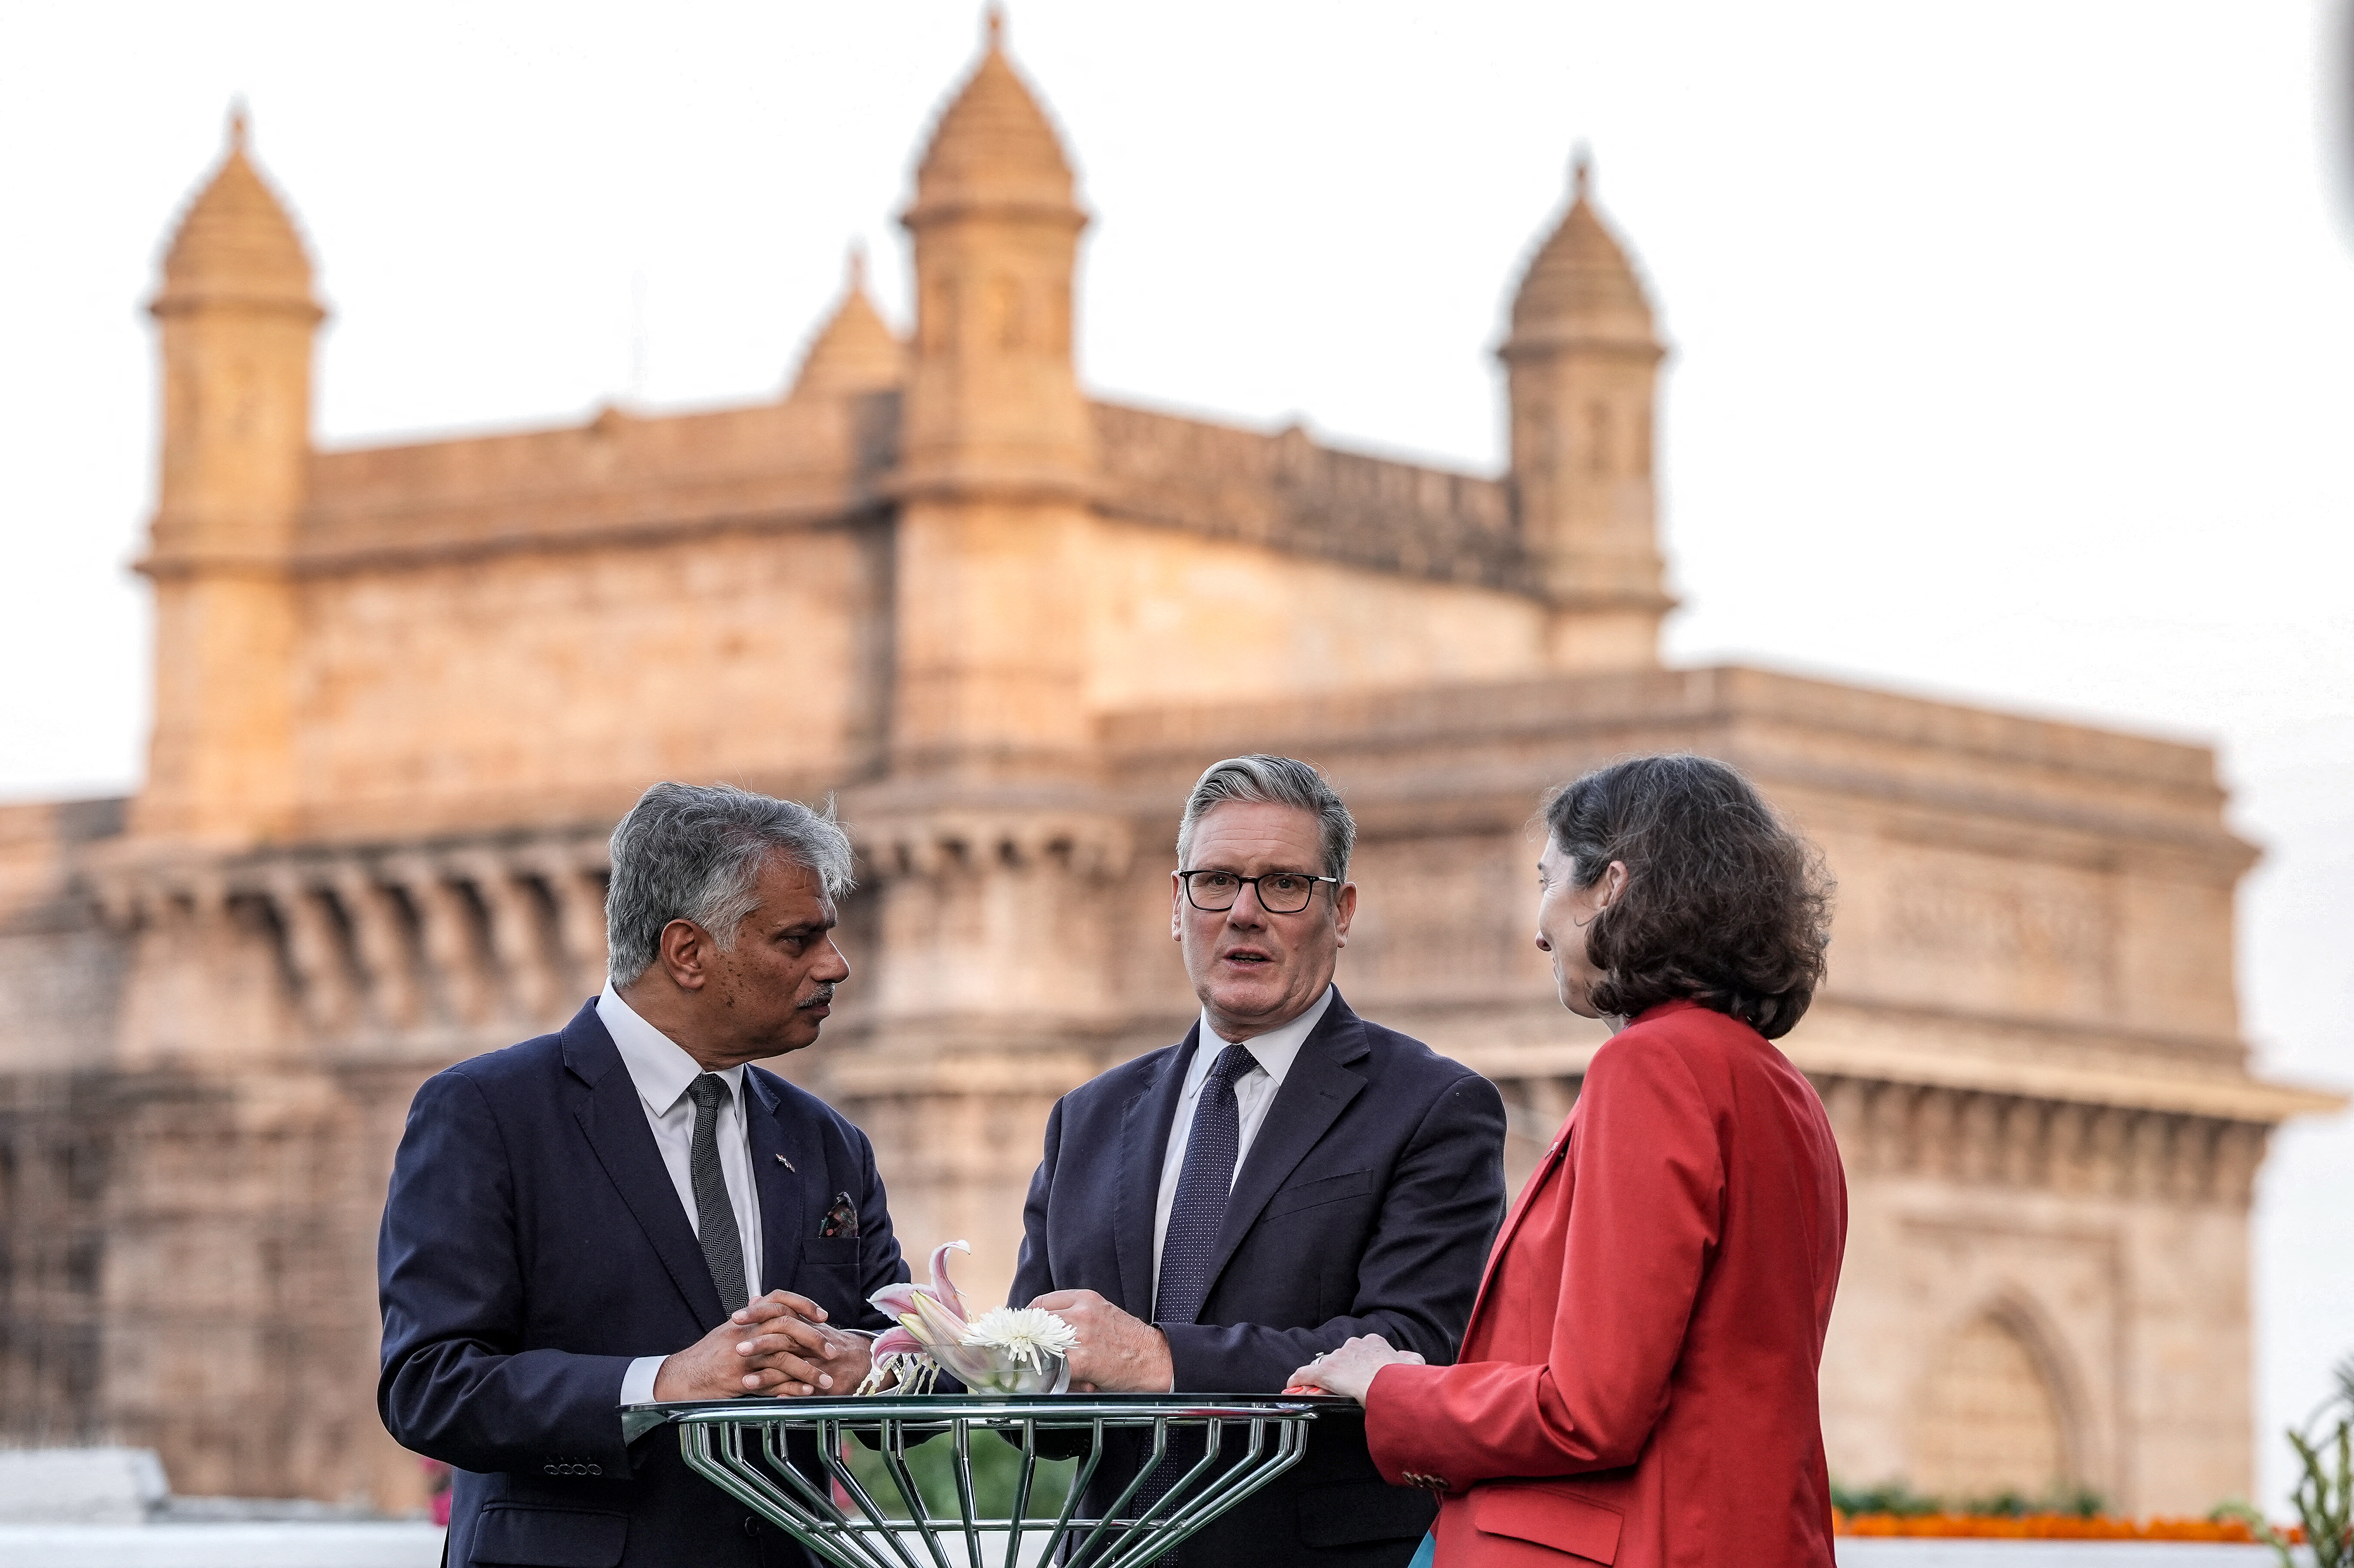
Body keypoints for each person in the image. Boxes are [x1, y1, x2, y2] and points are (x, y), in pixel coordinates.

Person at [1293, 754, 1846, 1568]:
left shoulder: (1650, 1068)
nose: (1541, 926)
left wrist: (1390, 1387)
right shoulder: (1780, 1090)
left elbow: (1588, 1408)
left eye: (1550, 879)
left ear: (1611, 887)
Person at [379, 782, 909, 1568]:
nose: (836, 965)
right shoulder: (487, 1114)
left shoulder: (827, 1142)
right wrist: (662, 1383)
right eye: (799, 940)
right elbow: (430, 1385)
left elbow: (902, 1343)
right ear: (688, 953)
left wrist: (870, 1369)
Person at [1012, 755, 1508, 1567]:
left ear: (1340, 911)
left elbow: (1412, 1345)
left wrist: (1162, 1361)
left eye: (1283, 884)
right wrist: (924, 1360)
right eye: (1215, 882)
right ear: (1178, 907)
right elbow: (1039, 1371)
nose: (1244, 912)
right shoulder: (1088, 1117)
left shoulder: (1433, 1106)